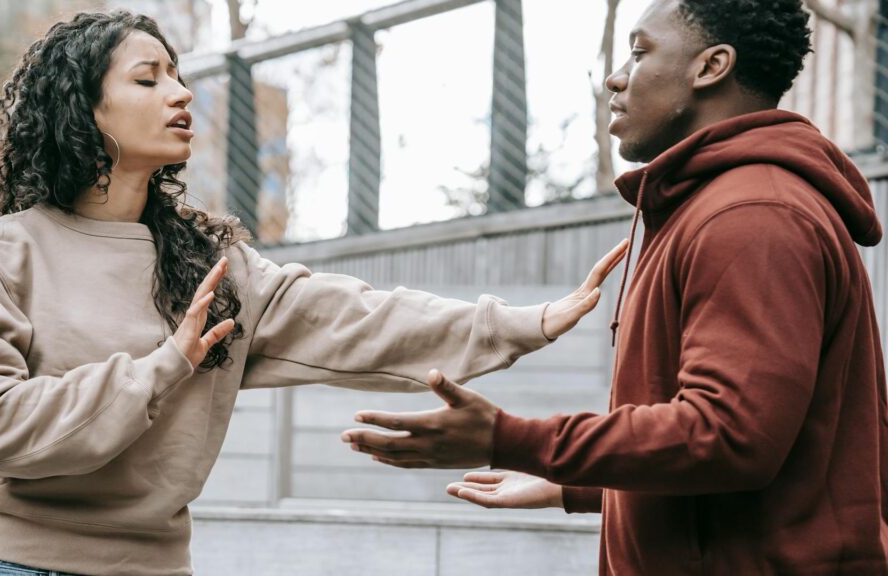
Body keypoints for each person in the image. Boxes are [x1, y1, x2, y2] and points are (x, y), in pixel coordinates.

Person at [0, 10, 628, 576]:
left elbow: (358, 320)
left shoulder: (212, 267)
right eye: (148, 80)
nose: (181, 94)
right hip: (26, 567)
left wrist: (523, 322)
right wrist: (166, 365)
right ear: (81, 110)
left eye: (178, 76)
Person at [342, 0, 888, 574]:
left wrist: (512, 438)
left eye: (640, 51)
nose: (615, 76)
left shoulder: (752, 216)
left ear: (711, 66)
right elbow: (747, 453)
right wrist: (574, 486)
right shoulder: (713, 205)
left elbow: (729, 436)